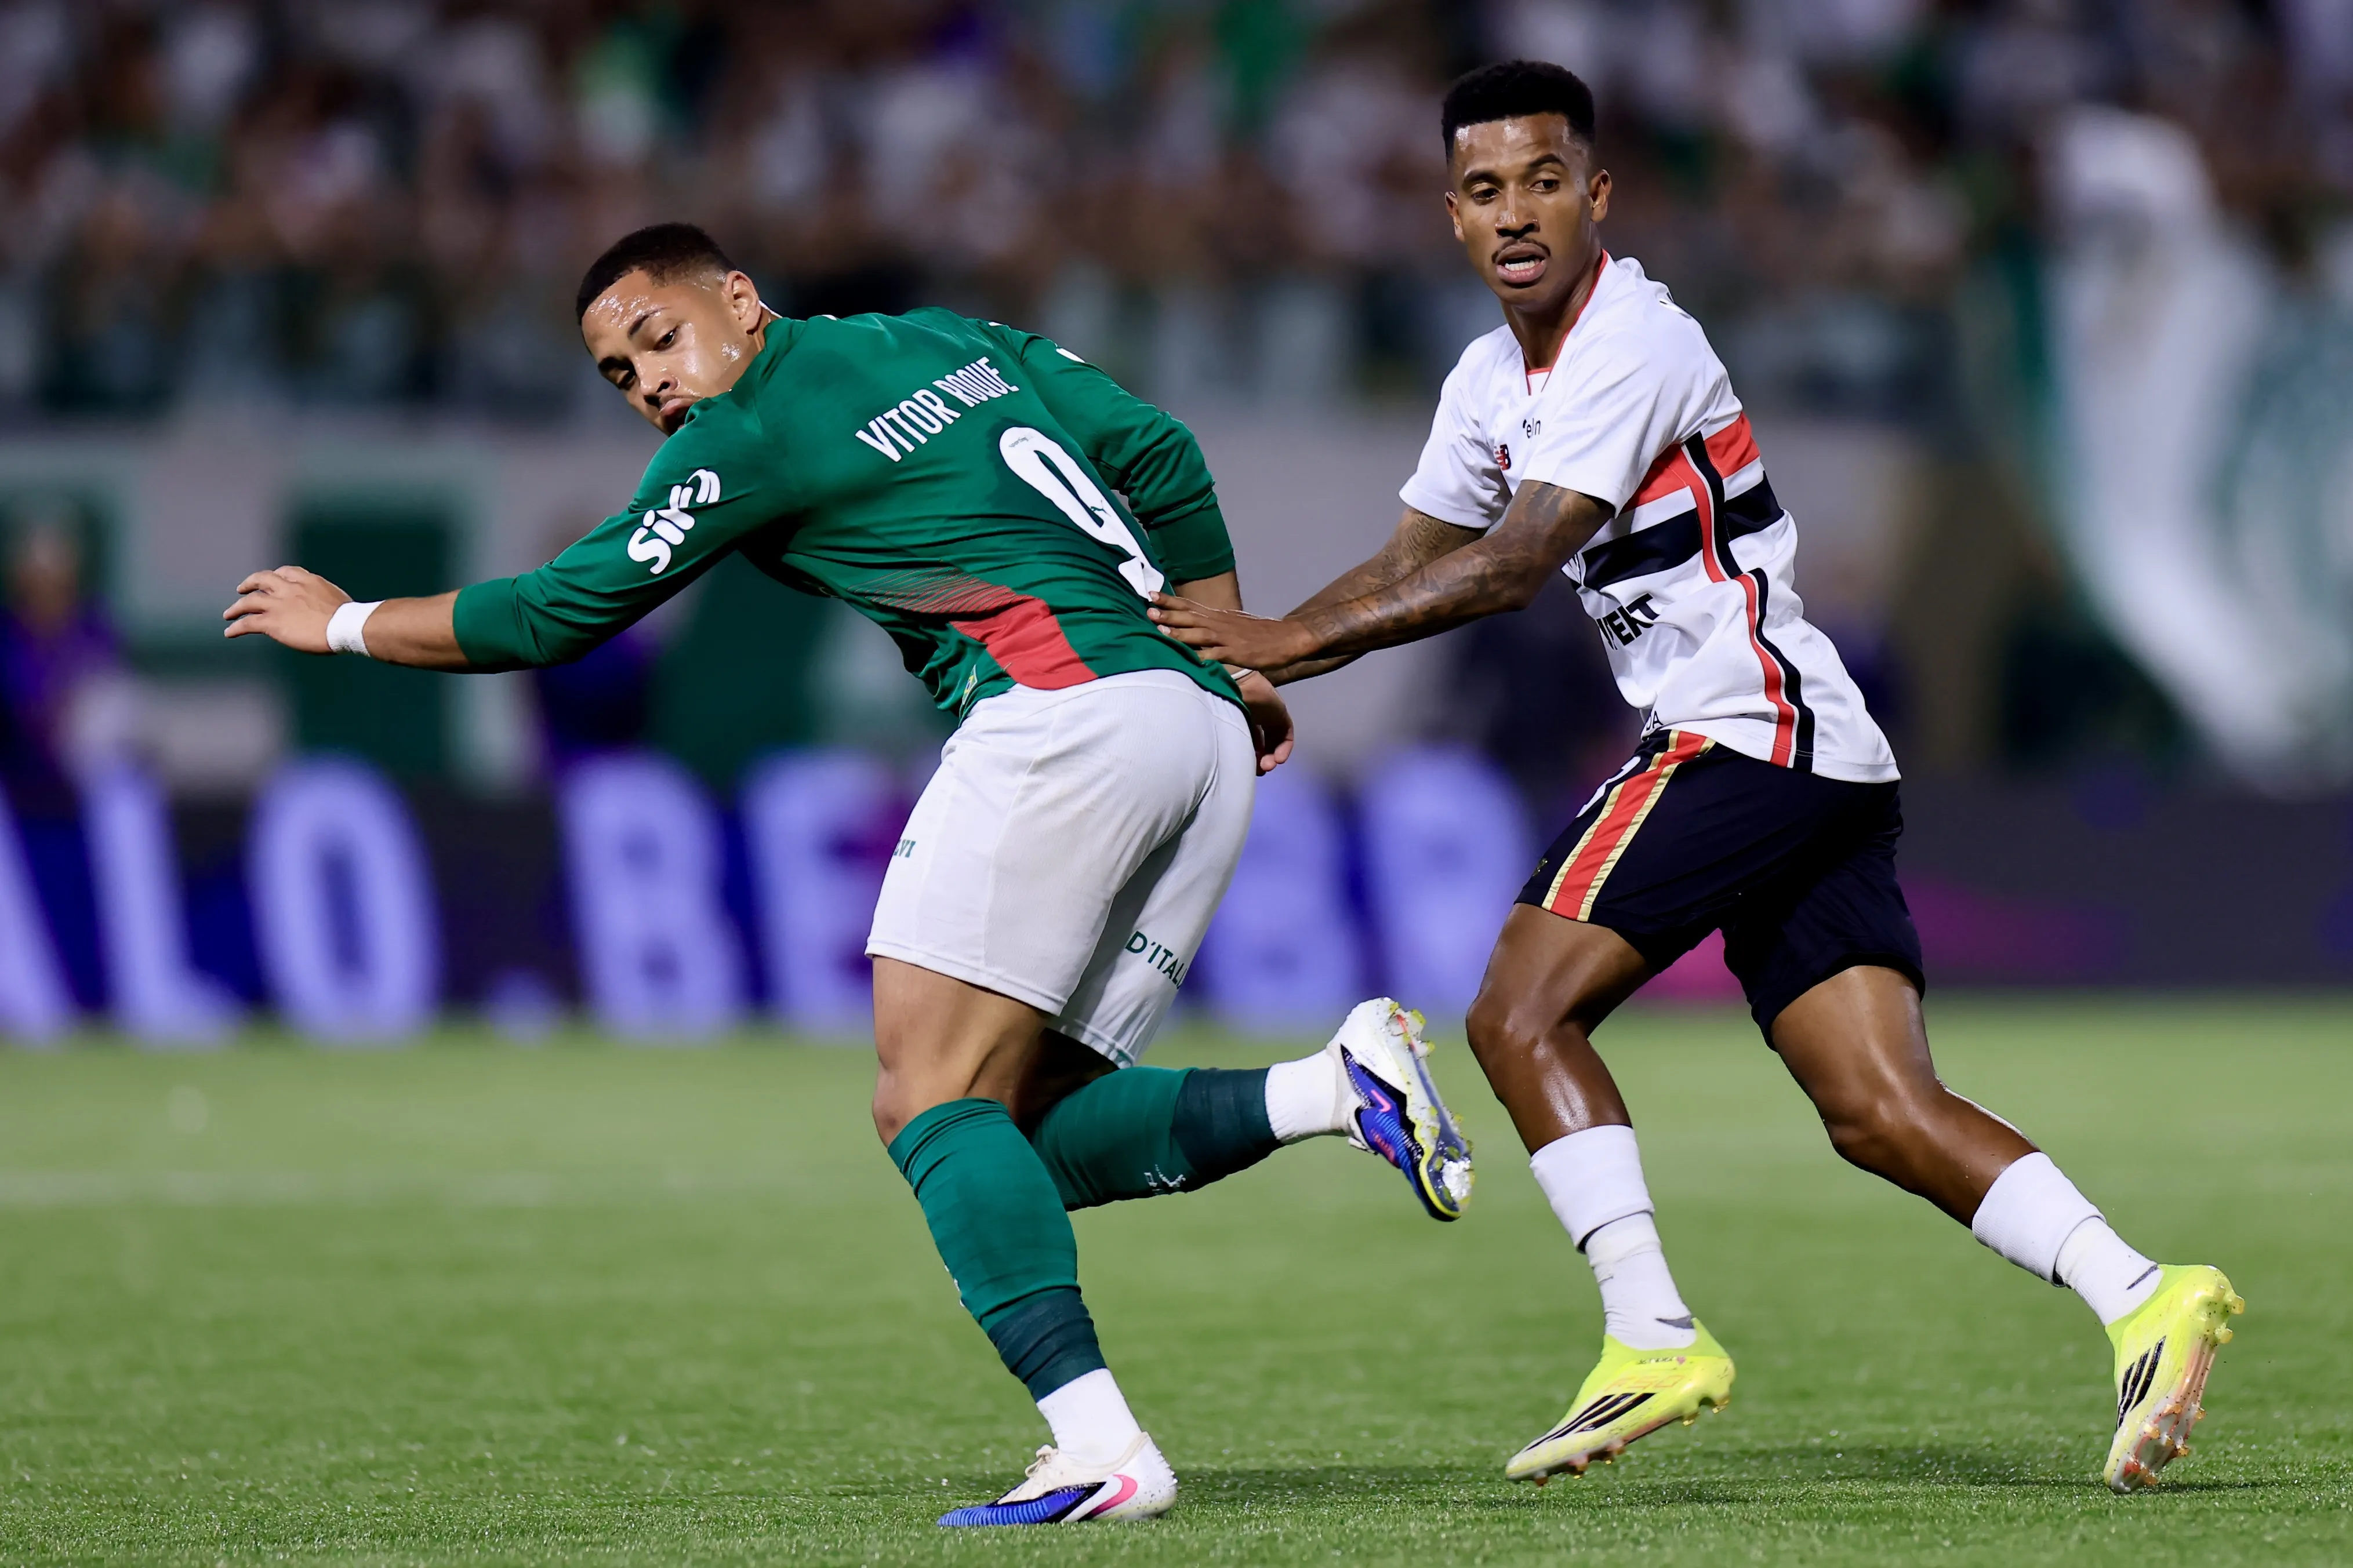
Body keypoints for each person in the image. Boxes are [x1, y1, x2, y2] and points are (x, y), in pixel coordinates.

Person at [223, 223, 1473, 1527]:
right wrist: (1230, 653)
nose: (651, 383)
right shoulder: (951, 339)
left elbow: (555, 611)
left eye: (660, 339)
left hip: (1060, 713)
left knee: (921, 1095)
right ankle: (1334, 1088)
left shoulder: (747, 431)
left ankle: (1100, 1445)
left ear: (741, 302)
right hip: (1196, 729)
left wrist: (346, 622)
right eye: (617, 373)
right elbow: (1158, 450)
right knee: (1023, 1124)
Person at [1149, 61, 2239, 1494]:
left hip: (1747, 734)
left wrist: (1289, 637)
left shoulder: (1634, 336)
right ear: (1452, 218)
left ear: (1596, 195)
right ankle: (2145, 1293)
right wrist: (1279, 657)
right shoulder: (1488, 377)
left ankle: (1649, 1332)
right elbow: (1415, 556)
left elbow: (1520, 557)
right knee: (1876, 1107)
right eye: (1484, 190)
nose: (1517, 212)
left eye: (1545, 179)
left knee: (1516, 1011)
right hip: (1816, 752)